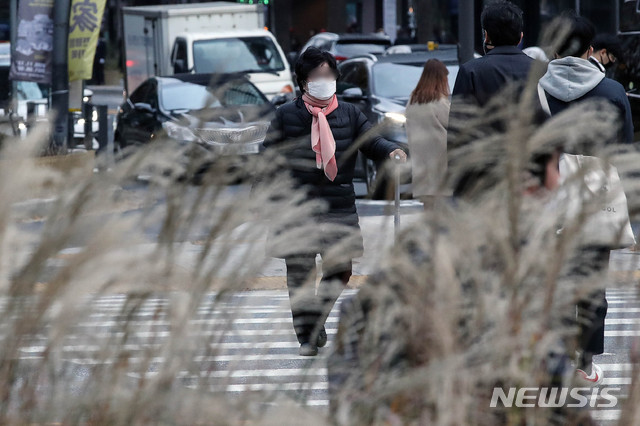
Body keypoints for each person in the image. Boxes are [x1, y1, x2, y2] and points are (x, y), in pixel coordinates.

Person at [262, 47, 406, 356]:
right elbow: (267, 157)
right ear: (303, 82)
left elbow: (372, 140)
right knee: (300, 274)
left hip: (338, 204)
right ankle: (305, 338)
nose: (324, 81)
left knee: (340, 268)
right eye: (317, 76)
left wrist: (390, 149)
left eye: (329, 75)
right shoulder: (286, 115)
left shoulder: (351, 113)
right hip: (297, 206)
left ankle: (317, 322)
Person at [538, 12, 634, 385]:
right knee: (593, 284)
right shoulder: (611, 92)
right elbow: (623, 150)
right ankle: (587, 363)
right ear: (591, 50)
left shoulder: (536, 92)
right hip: (597, 197)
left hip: (550, 199)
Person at [451, 0, 533, 107]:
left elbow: (458, 120)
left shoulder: (470, 71)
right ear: (520, 37)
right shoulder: (540, 69)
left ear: (486, 35)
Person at [405, 59, 450, 208]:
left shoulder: (413, 100)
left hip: (421, 165)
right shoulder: (440, 102)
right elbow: (452, 124)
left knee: (428, 211)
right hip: (441, 165)